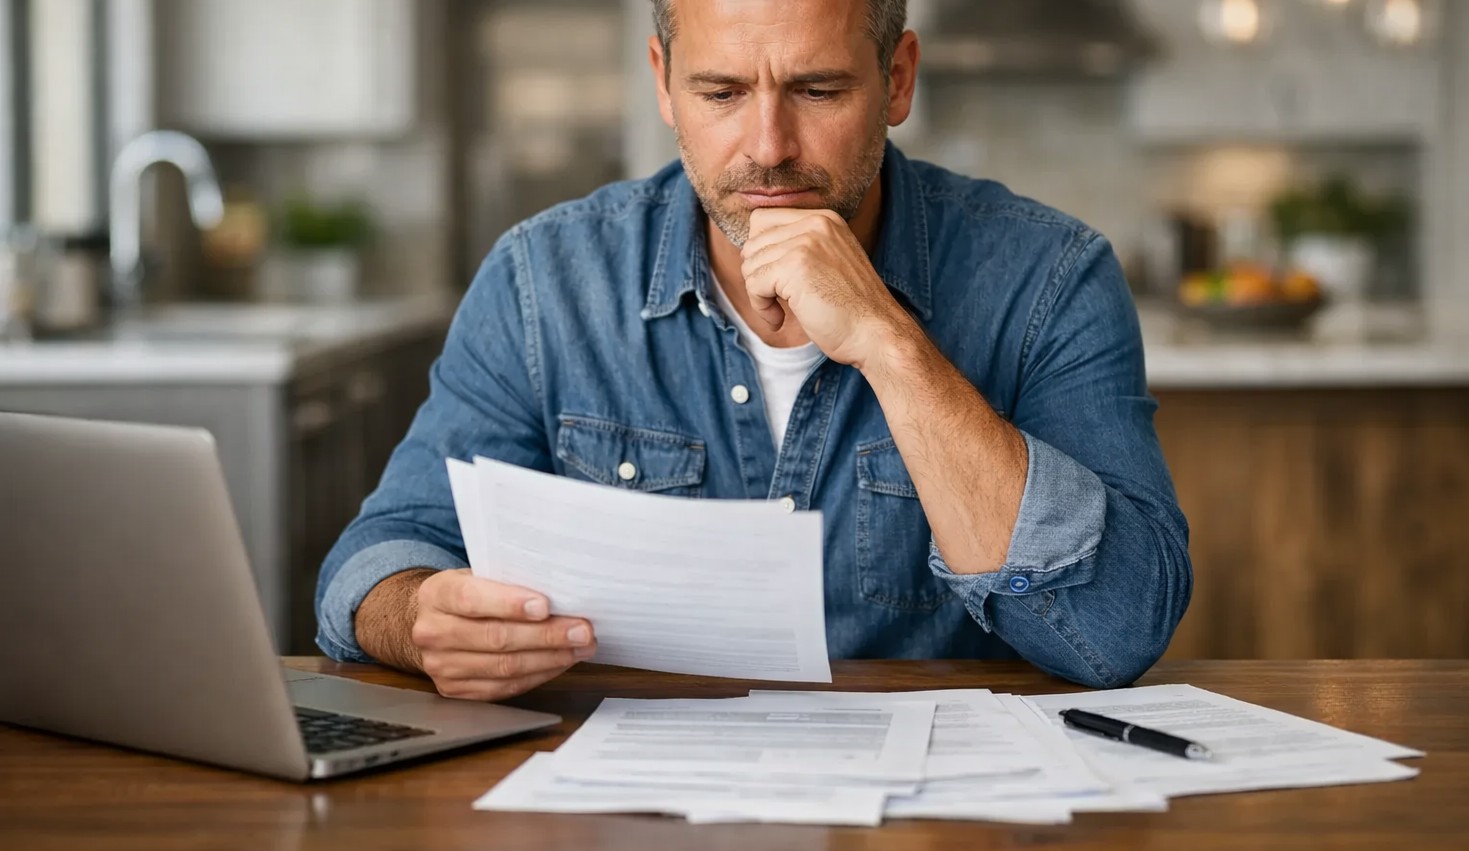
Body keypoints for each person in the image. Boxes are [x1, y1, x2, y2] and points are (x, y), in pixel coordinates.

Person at [315, 0, 1191, 701]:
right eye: (721, 93)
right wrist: (421, 616)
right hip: (626, 816)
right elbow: (378, 557)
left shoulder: (1049, 278)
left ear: (897, 79)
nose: (768, 150)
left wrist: (888, 341)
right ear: (663, 84)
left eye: (816, 90)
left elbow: (1117, 630)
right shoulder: (542, 282)